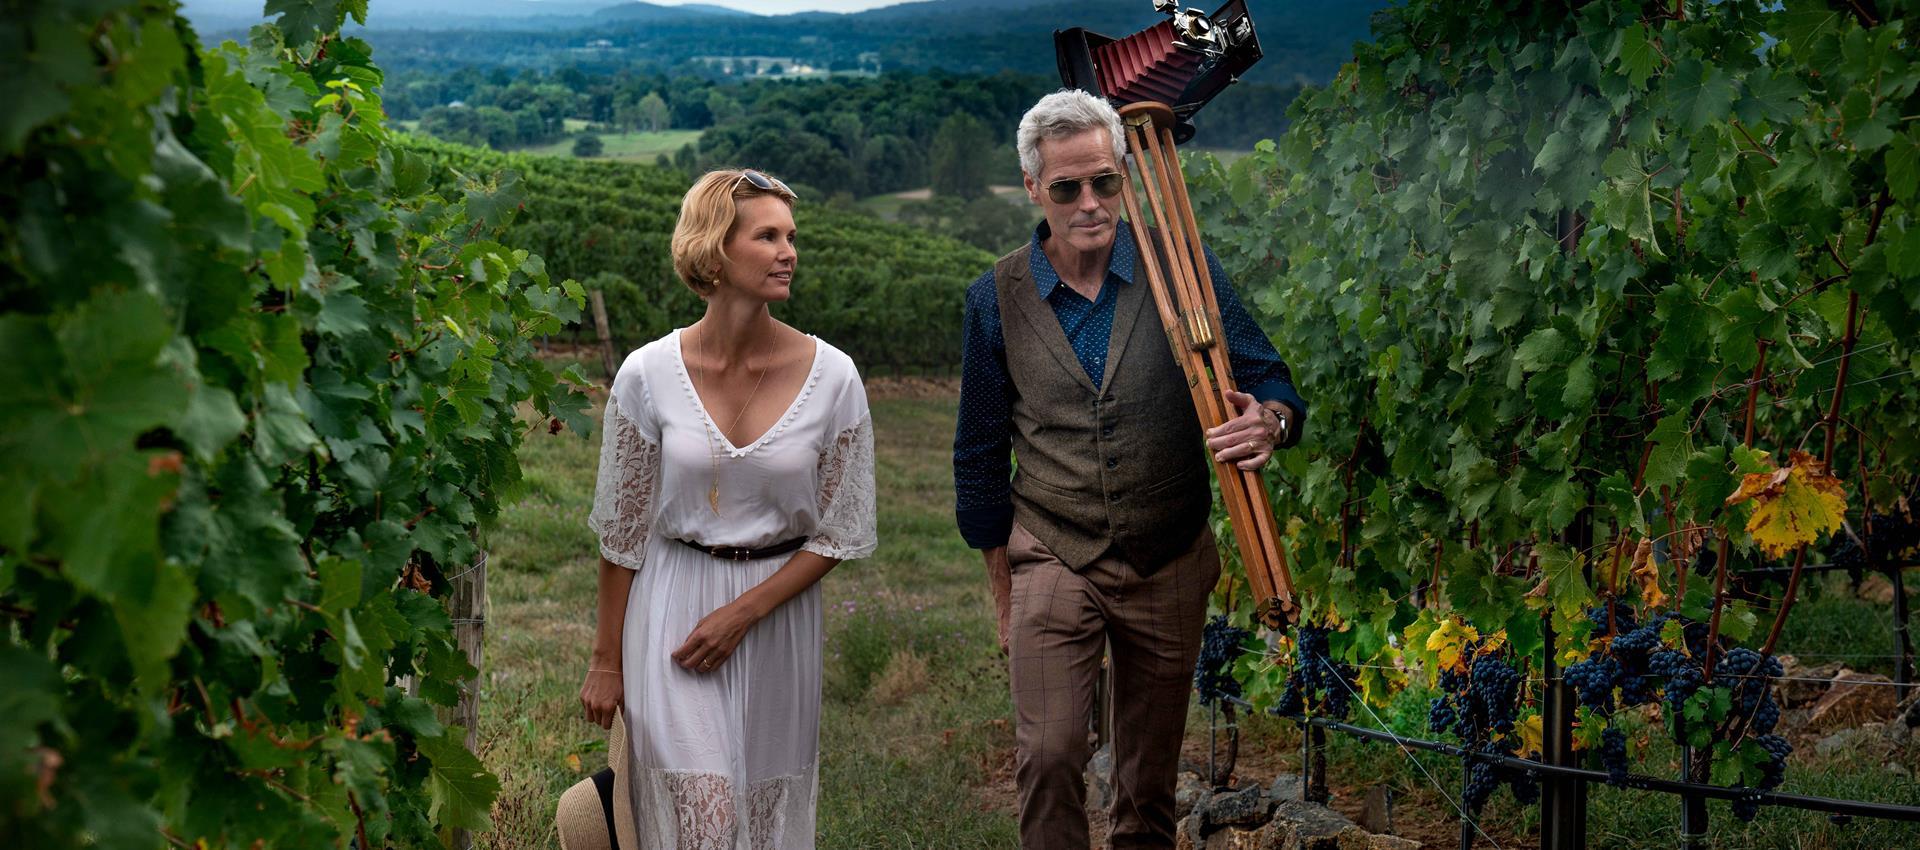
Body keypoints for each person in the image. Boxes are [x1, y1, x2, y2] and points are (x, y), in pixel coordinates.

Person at [952, 90, 1308, 849]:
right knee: (1049, 756)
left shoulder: (1180, 268)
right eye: (1066, 188)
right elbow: (978, 451)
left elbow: (1270, 376)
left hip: (1169, 554)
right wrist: (1001, 590)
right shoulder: (995, 297)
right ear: (1031, 189)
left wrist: (1268, 420)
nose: (1090, 203)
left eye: (1105, 182)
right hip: (1053, 546)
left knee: (1147, 784)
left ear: (1122, 176)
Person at [581, 168, 876, 849]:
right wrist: (605, 659)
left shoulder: (834, 378)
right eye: (766, 236)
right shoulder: (646, 375)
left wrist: (744, 612)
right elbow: (621, 533)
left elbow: (839, 530)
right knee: (701, 817)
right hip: (672, 608)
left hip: (777, 619)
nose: (788, 252)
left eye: (791, 236)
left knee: (764, 818)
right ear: (715, 249)